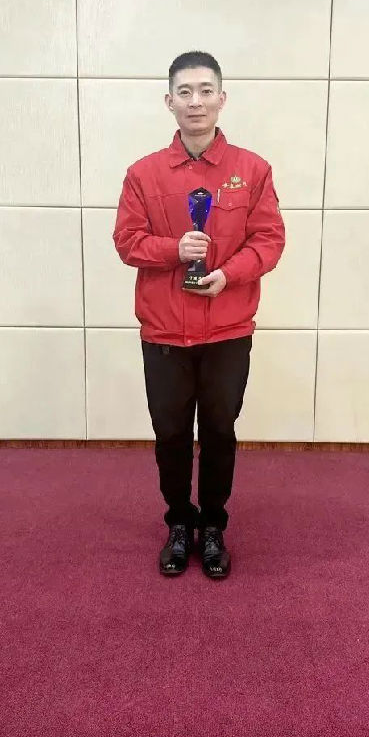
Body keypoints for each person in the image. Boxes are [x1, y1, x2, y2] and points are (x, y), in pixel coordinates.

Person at [113, 51, 285, 580]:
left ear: (221, 98)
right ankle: (178, 522)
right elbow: (127, 241)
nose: (195, 101)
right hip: (165, 332)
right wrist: (174, 249)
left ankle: (212, 526)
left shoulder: (251, 170)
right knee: (169, 434)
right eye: (184, 92)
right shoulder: (143, 174)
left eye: (205, 91)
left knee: (217, 431)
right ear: (169, 101)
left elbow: (270, 240)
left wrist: (228, 275)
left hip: (227, 329)